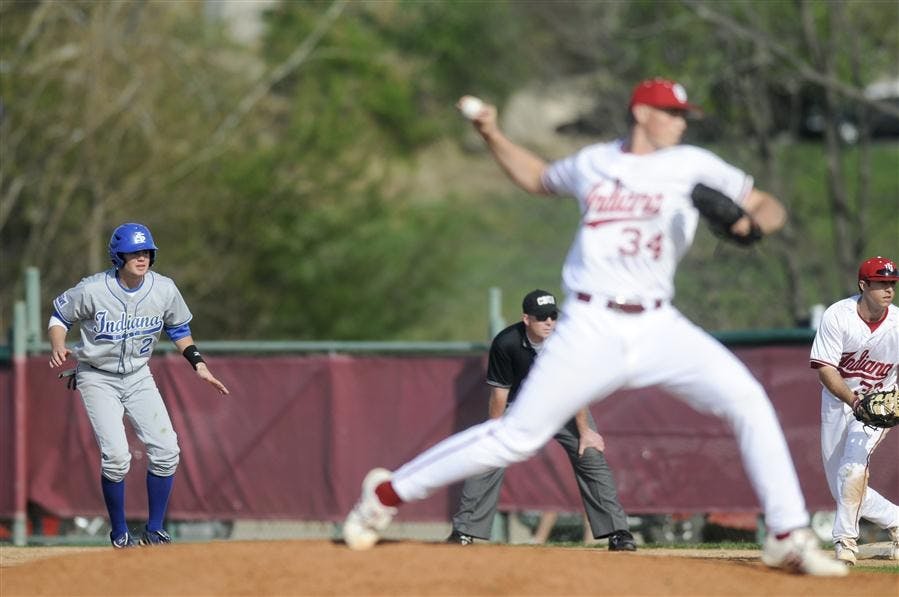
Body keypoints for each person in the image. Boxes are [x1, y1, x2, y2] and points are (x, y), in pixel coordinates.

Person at [343, 78, 847, 576]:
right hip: (591, 322)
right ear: (641, 113)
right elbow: (538, 178)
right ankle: (385, 494)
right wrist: (491, 134)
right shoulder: (593, 163)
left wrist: (750, 223)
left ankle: (786, 535)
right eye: (671, 113)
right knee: (515, 437)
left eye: (683, 116)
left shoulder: (692, 164)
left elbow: (768, 205)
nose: (680, 123)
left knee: (748, 401)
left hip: (658, 323)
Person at [48, 222, 229, 548]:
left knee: (167, 451)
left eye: (146, 251)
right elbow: (60, 316)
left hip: (137, 376)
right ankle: (119, 532)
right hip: (97, 376)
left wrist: (198, 365)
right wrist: (58, 343)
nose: (142, 257)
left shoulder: (163, 289)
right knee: (117, 457)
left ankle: (154, 529)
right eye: (134, 252)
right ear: (118, 256)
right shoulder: (93, 289)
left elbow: (179, 329)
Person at [446, 290, 636, 550]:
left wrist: (585, 431)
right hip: (519, 406)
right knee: (487, 454)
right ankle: (464, 532)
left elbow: (574, 389)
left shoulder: (566, 340)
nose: (548, 322)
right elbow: (499, 394)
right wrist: (493, 431)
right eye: (541, 317)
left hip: (562, 402)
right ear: (526, 319)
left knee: (590, 453)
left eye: (552, 316)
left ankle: (618, 532)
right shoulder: (507, 342)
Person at [810, 255, 899, 566]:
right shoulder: (838, 316)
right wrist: (853, 401)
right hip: (839, 402)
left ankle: (845, 542)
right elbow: (825, 369)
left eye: (892, 284)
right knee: (842, 485)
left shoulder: (897, 323)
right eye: (881, 283)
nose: (888, 290)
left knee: (853, 468)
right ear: (863, 285)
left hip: (878, 406)